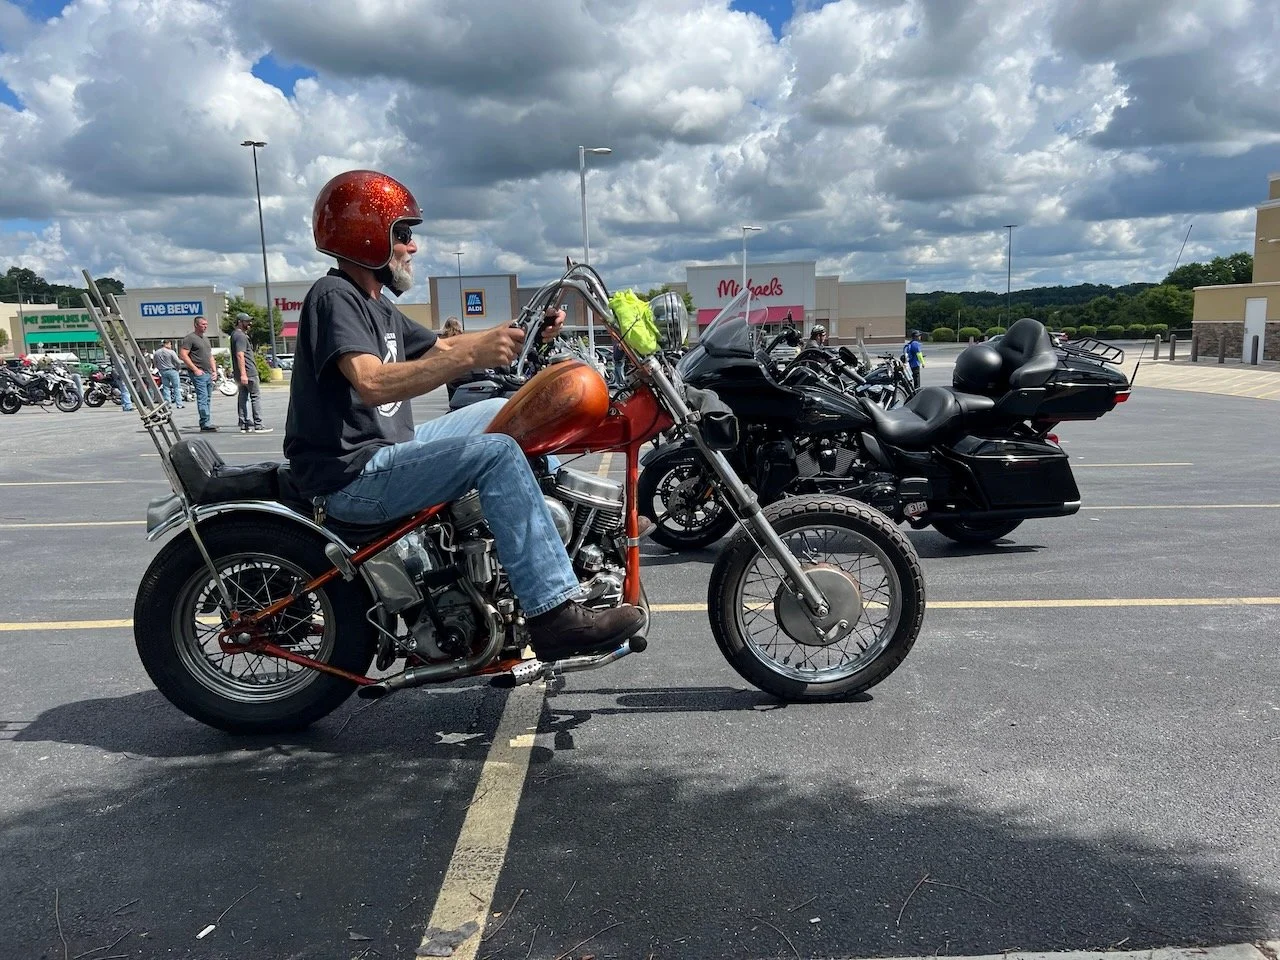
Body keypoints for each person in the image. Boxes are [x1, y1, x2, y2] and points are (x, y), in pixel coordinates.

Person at [284, 169, 644, 661]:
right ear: (365, 236)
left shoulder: (376, 305)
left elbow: (447, 346)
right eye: (402, 234)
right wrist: (470, 355)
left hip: (386, 452)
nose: (412, 246)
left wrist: (525, 332)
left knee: (501, 409)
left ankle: (570, 535)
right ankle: (554, 614)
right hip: (350, 477)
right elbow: (371, 382)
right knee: (496, 454)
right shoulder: (335, 298)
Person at [231, 313, 271, 433]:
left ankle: (244, 423)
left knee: (243, 397)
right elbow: (240, 355)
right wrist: (244, 374)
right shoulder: (240, 336)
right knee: (255, 397)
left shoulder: (235, 335)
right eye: (247, 321)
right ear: (239, 322)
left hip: (241, 373)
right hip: (248, 372)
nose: (250, 323)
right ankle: (258, 424)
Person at [179, 316, 217, 432]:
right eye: (203, 324)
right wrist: (195, 369)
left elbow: (210, 356)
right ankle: (205, 423)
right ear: (196, 325)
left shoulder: (206, 339)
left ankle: (207, 421)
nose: (205, 326)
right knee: (203, 397)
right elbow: (183, 355)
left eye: (206, 324)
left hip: (208, 372)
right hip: (199, 373)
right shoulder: (190, 338)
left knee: (208, 398)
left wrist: (214, 370)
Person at [153, 339, 184, 408]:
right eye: (170, 344)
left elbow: (155, 362)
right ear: (166, 344)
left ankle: (168, 403)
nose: (171, 345)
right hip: (172, 370)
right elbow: (177, 361)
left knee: (166, 387)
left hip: (163, 371)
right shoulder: (171, 352)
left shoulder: (157, 352)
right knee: (176, 387)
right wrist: (178, 368)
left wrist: (159, 368)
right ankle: (179, 403)